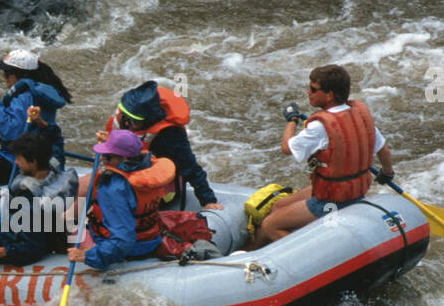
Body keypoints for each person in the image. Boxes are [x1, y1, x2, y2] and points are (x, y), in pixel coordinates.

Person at [251, 64, 394, 248]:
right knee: (277, 207)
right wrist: (387, 173)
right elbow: (383, 151)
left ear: (329, 95)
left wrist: (291, 120)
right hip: (354, 192)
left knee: (269, 224)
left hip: (330, 200)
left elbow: (286, 148)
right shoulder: (360, 115)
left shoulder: (320, 127)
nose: (308, 92)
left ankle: (279, 255)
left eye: (313, 89)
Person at [88, 80, 223, 211]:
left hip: (155, 188)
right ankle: (68, 223)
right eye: (125, 117)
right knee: (85, 186)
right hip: (120, 174)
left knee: (109, 195)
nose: (127, 124)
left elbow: (191, 168)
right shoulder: (126, 117)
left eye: (133, 121)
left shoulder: (169, 135)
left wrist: (208, 200)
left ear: (149, 120)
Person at [0, 49, 72, 201]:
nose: (3, 76)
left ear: (19, 74)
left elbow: (11, 131)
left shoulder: (26, 96)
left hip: (22, 162)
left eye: (7, 73)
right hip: (15, 153)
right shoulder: (37, 90)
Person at [0, 132, 79, 267]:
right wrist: (45, 127)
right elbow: (57, 142)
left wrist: (4, 251)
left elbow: (33, 247)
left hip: (21, 247)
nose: (16, 162)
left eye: (19, 158)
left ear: (33, 162)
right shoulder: (54, 166)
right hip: (52, 237)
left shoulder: (28, 197)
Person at [67, 129, 176, 271]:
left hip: (129, 249)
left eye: (107, 156)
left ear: (123, 159)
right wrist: (113, 144)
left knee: (63, 227)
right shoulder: (146, 167)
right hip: (151, 239)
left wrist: (86, 255)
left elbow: (123, 240)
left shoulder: (113, 189)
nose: (102, 159)